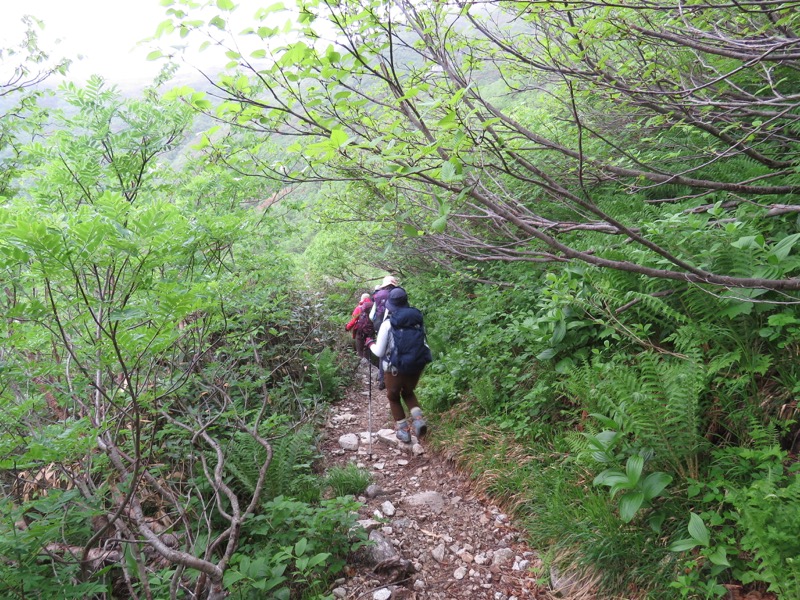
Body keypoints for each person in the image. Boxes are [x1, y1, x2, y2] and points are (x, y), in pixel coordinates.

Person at [366, 287, 430, 443]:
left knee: (393, 397)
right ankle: (418, 420)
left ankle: (403, 431)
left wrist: (370, 344)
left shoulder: (388, 324)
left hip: (394, 370)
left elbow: (380, 352)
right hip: (416, 366)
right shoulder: (417, 320)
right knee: (408, 392)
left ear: (391, 306)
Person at [369, 275, 398, 390]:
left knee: (382, 351)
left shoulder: (377, 295)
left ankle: (382, 380)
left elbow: (371, 316)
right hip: (395, 325)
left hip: (379, 326)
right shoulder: (397, 294)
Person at [345, 293, 374, 358]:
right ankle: (368, 362)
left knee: (360, 349)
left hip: (360, 330)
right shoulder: (374, 306)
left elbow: (353, 320)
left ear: (362, 299)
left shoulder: (359, 308)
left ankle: (361, 362)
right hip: (371, 330)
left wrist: (347, 327)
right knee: (368, 347)